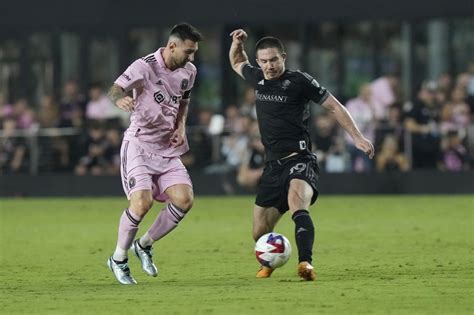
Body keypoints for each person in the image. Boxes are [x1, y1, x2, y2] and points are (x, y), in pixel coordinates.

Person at [229, 29, 374, 281]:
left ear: (283, 57)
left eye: (273, 60)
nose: (268, 66)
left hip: (300, 159)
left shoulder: (300, 81)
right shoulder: (257, 78)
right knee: (259, 231)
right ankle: (270, 261)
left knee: (297, 202)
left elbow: (334, 106)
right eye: (263, 61)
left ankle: (305, 263)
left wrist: (357, 137)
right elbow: (237, 62)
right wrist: (236, 43)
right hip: (272, 166)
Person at [106, 23, 203, 285]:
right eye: (188, 51)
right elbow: (115, 89)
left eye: (193, 52)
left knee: (184, 200)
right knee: (141, 203)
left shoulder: (189, 71)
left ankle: (144, 244)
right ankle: (118, 258)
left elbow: (184, 101)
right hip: (139, 144)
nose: (191, 58)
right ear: (172, 46)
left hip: (167, 148)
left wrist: (181, 127)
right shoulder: (144, 66)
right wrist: (120, 100)